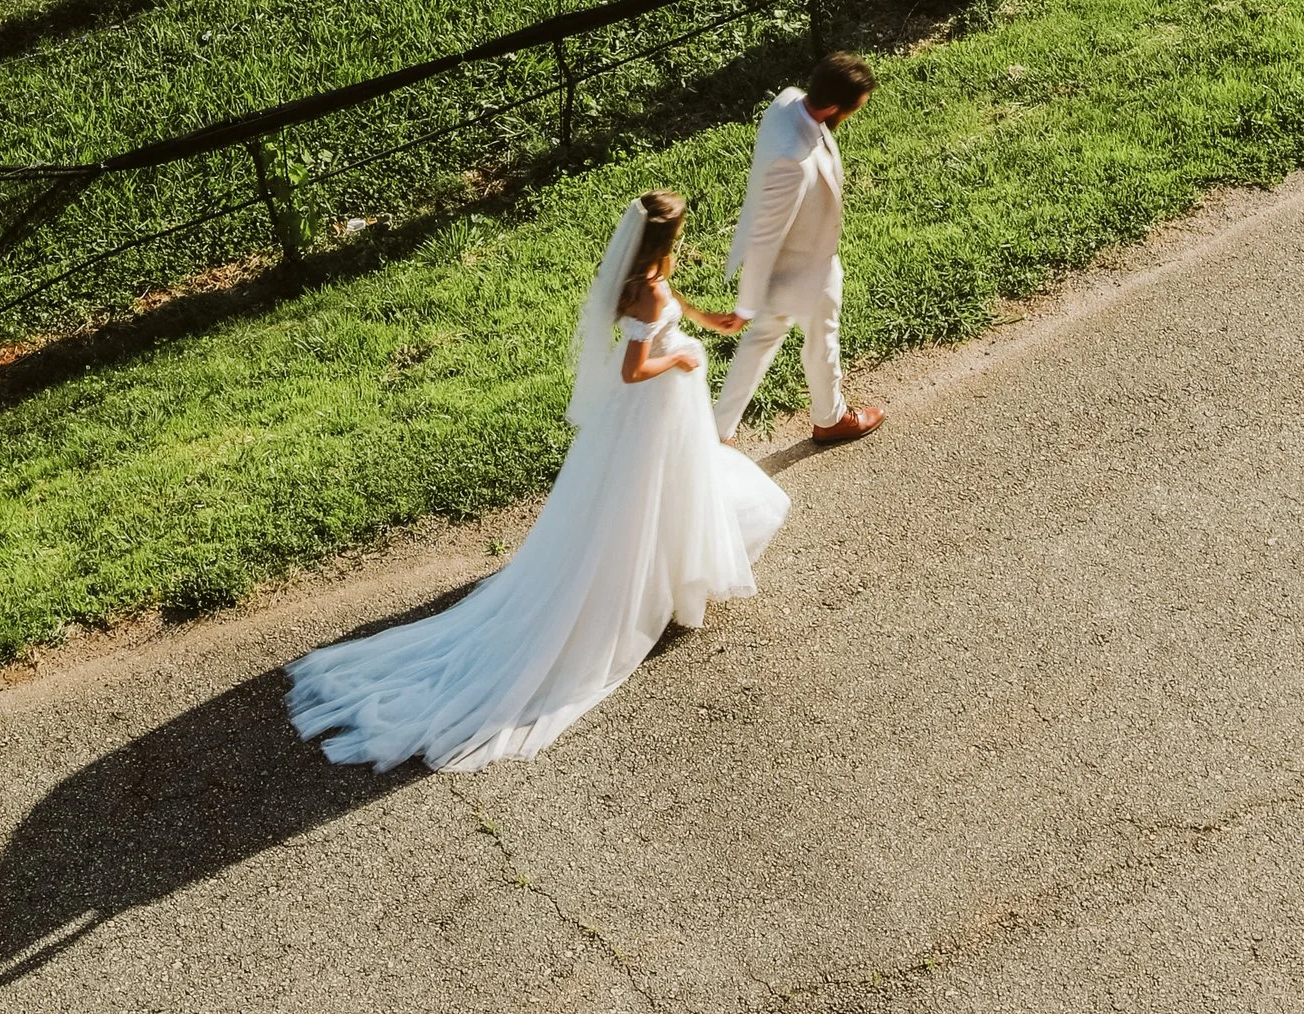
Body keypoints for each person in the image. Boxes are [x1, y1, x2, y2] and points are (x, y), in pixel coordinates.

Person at [285, 189, 787, 773]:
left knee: (664, 493)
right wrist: (680, 358)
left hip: (659, 412)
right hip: (652, 407)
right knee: (651, 497)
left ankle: (670, 575)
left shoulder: (645, 277)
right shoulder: (649, 289)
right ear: (665, 242)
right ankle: (648, 583)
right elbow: (632, 369)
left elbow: (665, 306)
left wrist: (703, 320)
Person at [715, 51, 883, 449]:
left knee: (760, 345)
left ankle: (714, 433)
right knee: (821, 340)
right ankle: (831, 419)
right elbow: (765, 236)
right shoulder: (793, 163)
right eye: (854, 109)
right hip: (806, 267)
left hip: (798, 262)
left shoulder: (788, 100)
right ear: (832, 106)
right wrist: (745, 305)